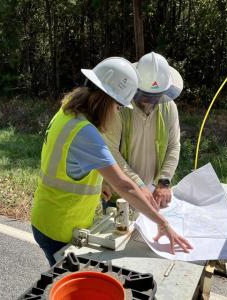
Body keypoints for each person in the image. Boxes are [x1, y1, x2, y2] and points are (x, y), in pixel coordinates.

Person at [31, 57, 192, 266]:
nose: (118, 112)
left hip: (47, 216)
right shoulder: (86, 133)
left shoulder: (67, 113)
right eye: (118, 107)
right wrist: (162, 223)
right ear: (107, 100)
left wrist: (100, 182)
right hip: (60, 227)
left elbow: (67, 162)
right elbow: (125, 186)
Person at [102, 52, 183, 209]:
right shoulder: (119, 107)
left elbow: (174, 145)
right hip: (120, 195)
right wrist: (138, 185)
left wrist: (164, 182)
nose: (149, 101)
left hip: (152, 195)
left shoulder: (169, 107)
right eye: (145, 95)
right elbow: (110, 151)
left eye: (155, 96)